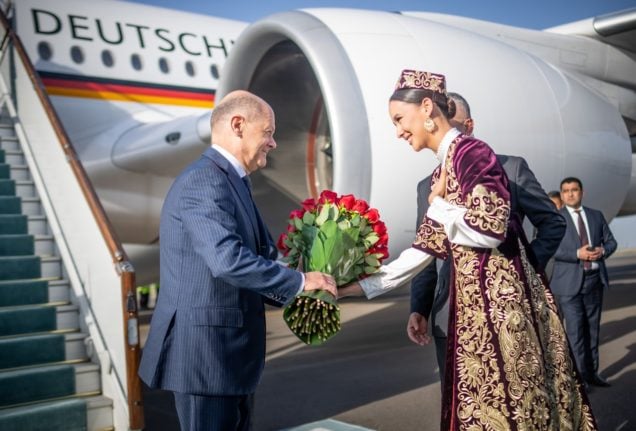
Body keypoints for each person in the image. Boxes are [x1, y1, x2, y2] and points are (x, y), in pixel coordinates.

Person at [339, 69, 596, 430]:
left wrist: (439, 206)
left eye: (399, 119)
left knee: (517, 415)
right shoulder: (439, 175)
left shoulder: (474, 153)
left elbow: (490, 228)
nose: (397, 131)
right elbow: (419, 255)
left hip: (503, 319)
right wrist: (346, 288)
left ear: (427, 107)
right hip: (474, 322)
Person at [138, 90, 337, 431]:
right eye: (269, 132)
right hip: (208, 357)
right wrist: (302, 283)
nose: (273, 143)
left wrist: (316, 279)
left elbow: (258, 256)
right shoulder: (205, 180)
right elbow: (228, 261)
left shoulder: (232, 182)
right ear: (238, 125)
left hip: (227, 357)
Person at [408, 92, 566, 381]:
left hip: (505, 315)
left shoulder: (511, 169)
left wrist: (524, 268)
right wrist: (419, 308)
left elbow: (553, 223)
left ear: (469, 126)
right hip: (450, 318)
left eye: (453, 126)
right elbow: (427, 253)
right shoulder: (425, 188)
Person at [551, 177, 617, 388]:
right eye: (566, 191)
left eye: (574, 190)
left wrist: (603, 250)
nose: (570, 194)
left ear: (582, 192)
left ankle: (592, 374)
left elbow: (611, 241)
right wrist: (576, 254)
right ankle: (579, 380)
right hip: (569, 285)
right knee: (575, 333)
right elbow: (550, 248)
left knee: (592, 331)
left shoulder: (596, 216)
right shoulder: (555, 219)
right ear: (562, 195)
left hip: (594, 281)